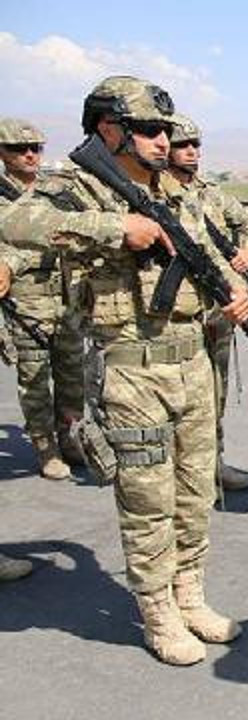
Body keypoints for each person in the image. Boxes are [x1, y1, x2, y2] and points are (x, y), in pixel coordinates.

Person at [0, 76, 248, 665]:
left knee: (196, 493)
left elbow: (208, 248)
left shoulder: (172, 189)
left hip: (192, 358)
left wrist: (233, 287)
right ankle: (157, 611)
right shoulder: (78, 186)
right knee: (147, 500)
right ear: (109, 129)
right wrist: (119, 229)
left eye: (166, 130)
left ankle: (189, 593)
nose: (162, 141)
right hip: (131, 370)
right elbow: (16, 224)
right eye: (148, 130)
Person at [165, 112, 248, 492]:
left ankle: (213, 461)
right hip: (178, 311)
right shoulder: (155, 193)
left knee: (215, 389)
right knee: (178, 394)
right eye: (182, 146)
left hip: (219, 309)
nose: (191, 152)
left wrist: (247, 251)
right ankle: (178, 468)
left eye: (195, 145)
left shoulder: (212, 193)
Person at [0, 117, 86, 480]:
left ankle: (69, 437)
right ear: (3, 152)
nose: (31, 155)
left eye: (36, 148)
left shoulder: (56, 191)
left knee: (72, 374)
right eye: (21, 149)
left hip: (66, 297)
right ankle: (45, 446)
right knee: (35, 376)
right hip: (25, 302)